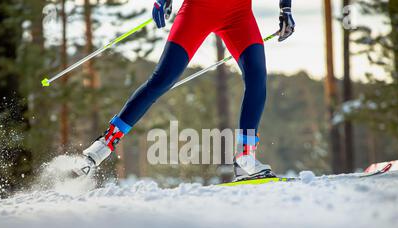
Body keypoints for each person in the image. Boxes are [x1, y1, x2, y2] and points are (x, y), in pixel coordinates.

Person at [76, 0, 295, 180]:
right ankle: (104, 145)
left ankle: (246, 157)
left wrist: (285, 8)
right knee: (162, 79)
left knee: (257, 78)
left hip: (238, 14)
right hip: (198, 10)